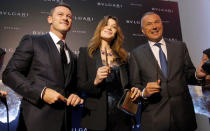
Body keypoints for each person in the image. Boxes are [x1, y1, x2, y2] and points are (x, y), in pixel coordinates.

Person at [2, 2, 83, 131]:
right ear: (50, 19)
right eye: (60, 14)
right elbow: (9, 74)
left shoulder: (73, 56)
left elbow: (71, 87)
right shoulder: (33, 41)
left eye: (69, 16)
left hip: (65, 123)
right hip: (35, 122)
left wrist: (75, 95)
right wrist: (41, 92)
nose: (65, 18)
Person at [129, 12, 199, 131]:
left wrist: (198, 75)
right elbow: (135, 85)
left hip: (184, 117)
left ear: (162, 24)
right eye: (149, 24)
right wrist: (145, 92)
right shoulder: (136, 54)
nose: (154, 26)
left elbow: (189, 74)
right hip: (155, 119)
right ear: (143, 31)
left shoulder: (180, 47)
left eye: (157, 22)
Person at [77, 15, 141, 131]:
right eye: (106, 25)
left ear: (116, 32)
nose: (109, 28)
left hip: (122, 115)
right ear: (100, 28)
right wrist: (96, 80)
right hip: (96, 116)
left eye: (114, 27)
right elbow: (80, 86)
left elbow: (131, 84)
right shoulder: (86, 53)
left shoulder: (123, 57)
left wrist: (135, 89)